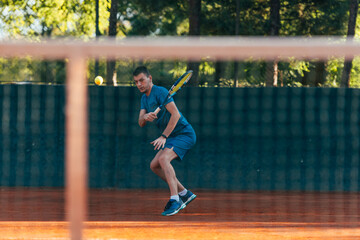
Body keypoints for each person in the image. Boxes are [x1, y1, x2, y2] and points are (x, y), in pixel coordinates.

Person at [133, 66, 197, 216]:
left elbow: (175, 115)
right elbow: (140, 122)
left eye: (142, 80)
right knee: (154, 165)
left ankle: (175, 200)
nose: (139, 84)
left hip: (184, 134)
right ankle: (185, 193)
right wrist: (145, 117)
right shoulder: (144, 98)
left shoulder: (161, 92)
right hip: (172, 136)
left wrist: (164, 136)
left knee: (163, 158)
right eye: (136, 82)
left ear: (150, 79)